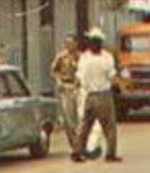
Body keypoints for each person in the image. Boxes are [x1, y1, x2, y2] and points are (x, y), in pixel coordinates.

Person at [73, 28, 120, 164]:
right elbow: (112, 76)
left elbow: (78, 78)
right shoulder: (107, 57)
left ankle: (77, 151)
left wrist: (77, 91)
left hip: (89, 96)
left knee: (85, 126)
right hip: (104, 95)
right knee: (109, 127)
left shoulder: (84, 57)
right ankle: (110, 154)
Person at [50, 36, 82, 153]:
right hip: (67, 87)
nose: (69, 45)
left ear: (76, 44)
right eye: (66, 43)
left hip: (80, 88)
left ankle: (82, 143)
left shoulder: (81, 57)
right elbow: (53, 71)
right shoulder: (61, 57)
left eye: (71, 43)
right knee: (69, 118)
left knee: (81, 117)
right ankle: (75, 145)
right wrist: (59, 81)